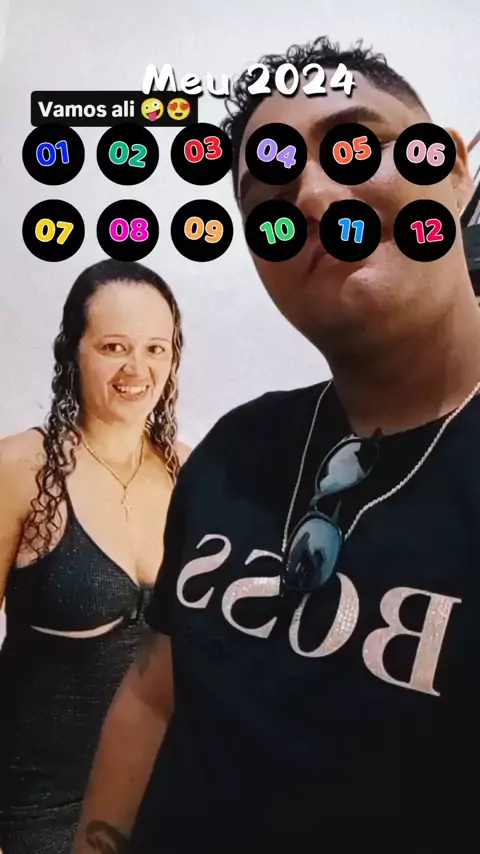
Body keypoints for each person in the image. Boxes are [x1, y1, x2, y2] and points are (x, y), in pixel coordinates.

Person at [74, 37, 480, 852]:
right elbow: (156, 692)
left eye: (354, 144)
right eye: (271, 196)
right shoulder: (235, 450)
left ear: (455, 167)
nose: (316, 197)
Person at [0, 259, 189, 854]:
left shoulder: (191, 473)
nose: (138, 369)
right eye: (114, 347)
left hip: (159, 808)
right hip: (38, 811)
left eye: (156, 348)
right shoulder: (21, 471)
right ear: (73, 351)